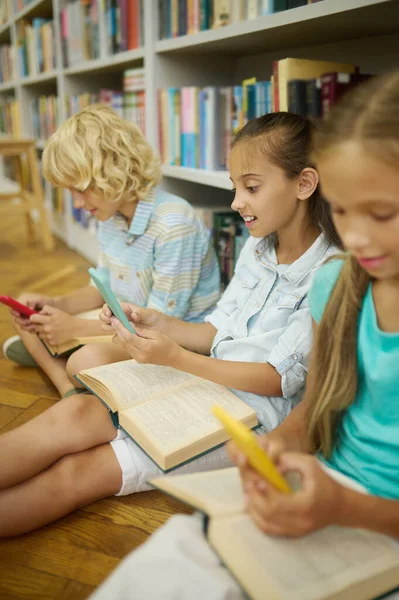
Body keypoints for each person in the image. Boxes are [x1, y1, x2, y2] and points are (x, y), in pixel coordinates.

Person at [86, 72, 399, 600]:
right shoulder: (337, 287)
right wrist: (275, 449)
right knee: (169, 561)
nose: (356, 236)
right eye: (343, 211)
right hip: (319, 485)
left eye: (381, 213)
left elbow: (282, 383)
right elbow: (315, 405)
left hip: (367, 520)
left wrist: (340, 506)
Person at [0, 112, 340, 537]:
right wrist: (158, 323)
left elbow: (276, 381)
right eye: (235, 187)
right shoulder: (257, 250)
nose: (236, 201)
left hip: (253, 416)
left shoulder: (330, 273)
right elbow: (214, 331)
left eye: (250, 187)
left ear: (305, 184)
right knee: (70, 416)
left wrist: (176, 357)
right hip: (199, 382)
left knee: (78, 474)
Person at [2, 105, 220, 398]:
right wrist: (57, 303)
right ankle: (67, 386)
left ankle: (64, 357)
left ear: (114, 171)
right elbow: (104, 287)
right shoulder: (109, 216)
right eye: (71, 192)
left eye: (82, 189)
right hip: (124, 321)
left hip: (170, 340)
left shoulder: (174, 225)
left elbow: (159, 323)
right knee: (31, 314)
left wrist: (74, 327)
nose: (78, 204)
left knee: (83, 361)